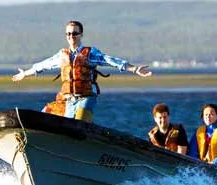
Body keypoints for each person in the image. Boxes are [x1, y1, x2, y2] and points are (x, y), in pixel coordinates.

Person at [11, 20, 152, 122]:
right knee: (47, 114)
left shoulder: (90, 53)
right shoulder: (62, 55)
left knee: (79, 125)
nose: (71, 36)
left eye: (74, 33)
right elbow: (42, 66)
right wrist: (25, 73)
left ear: (81, 35)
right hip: (68, 100)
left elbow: (110, 60)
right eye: (68, 34)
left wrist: (134, 69)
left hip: (86, 98)